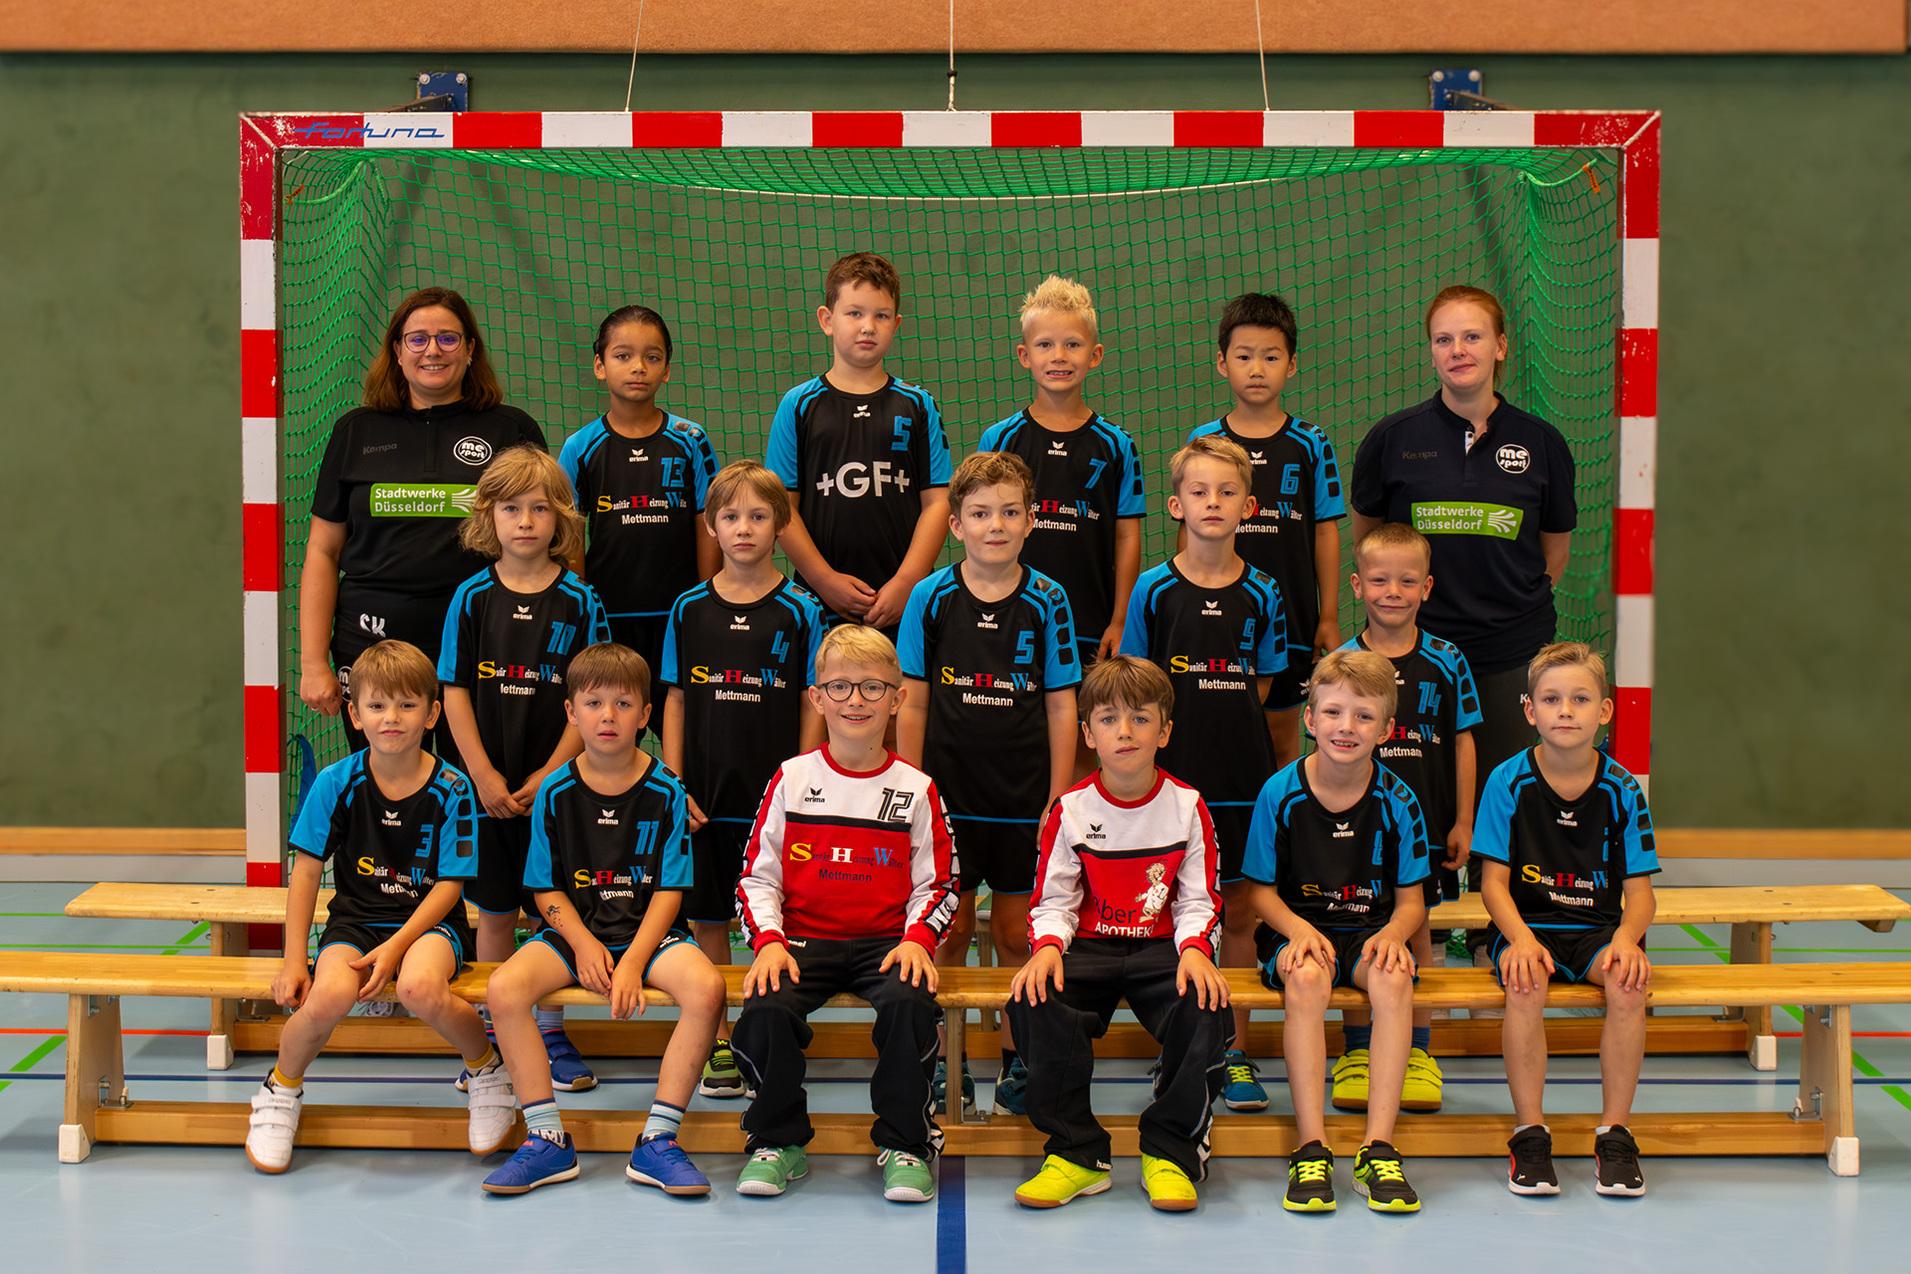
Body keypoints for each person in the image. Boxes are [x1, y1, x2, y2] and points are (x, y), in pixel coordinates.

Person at [478, 643, 727, 1196]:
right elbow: (544, 889)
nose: (608, 716)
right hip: (572, 933)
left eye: (622, 703)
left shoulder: (665, 790)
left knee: (708, 988)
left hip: (650, 934)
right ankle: (546, 1139)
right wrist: (585, 945)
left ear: (645, 715)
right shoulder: (555, 792)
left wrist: (634, 961)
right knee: (505, 988)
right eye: (593, 703)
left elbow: (669, 892)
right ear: (571, 713)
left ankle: (658, 1141)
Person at [245, 640, 504, 1173]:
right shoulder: (334, 783)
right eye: (378, 706)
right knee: (329, 995)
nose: (393, 718)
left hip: (429, 926)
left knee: (417, 987)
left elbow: (449, 888)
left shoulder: (453, 788)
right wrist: (295, 959)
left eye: (408, 705)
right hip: (356, 923)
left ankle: (487, 1070)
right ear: (355, 715)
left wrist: (396, 948)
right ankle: (280, 1090)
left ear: (432, 714)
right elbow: (308, 873)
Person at [731, 625, 959, 1203]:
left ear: (897, 698)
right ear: (816, 698)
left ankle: (905, 1142)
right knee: (765, 1005)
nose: (855, 700)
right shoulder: (792, 777)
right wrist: (770, 941)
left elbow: (939, 882)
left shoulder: (917, 789)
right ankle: (778, 1140)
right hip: (802, 940)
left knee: (910, 1003)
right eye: (838, 687)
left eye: (871, 687)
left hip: (888, 941)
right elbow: (758, 876)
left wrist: (916, 941)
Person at [1007, 655, 1230, 1213]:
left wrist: (1197, 951)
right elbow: (1054, 899)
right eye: (1108, 720)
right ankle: (1077, 1153)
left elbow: (1199, 899)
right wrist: (1048, 949)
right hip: (1090, 946)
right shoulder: (1071, 810)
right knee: (1035, 995)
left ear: (1166, 730)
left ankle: (1171, 1151)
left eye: (1140, 718)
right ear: (1087, 734)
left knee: (1205, 1004)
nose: (1124, 732)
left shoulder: (1187, 807)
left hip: (1162, 947)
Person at [896, 450, 1081, 1115]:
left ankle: (1016, 1060)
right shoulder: (931, 597)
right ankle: (949, 1066)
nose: (994, 525)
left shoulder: (1047, 600)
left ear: (1030, 521)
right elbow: (912, 700)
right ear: (955, 524)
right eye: (979, 513)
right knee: (944, 931)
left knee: (1013, 932)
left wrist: (1059, 794)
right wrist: (915, 788)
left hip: (1023, 795)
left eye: (1008, 512)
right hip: (949, 798)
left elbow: (1062, 703)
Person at [1349, 284, 1575, 795]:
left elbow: (1553, 552)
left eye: (1472, 336)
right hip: (1413, 652)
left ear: (1500, 346)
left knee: (1508, 802)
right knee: (1411, 802)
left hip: (1512, 653)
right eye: (1444, 339)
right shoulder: (1393, 439)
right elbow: (1369, 541)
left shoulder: (1541, 443)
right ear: (1431, 351)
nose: (1458, 350)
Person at [298, 287, 545, 749]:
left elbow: (549, 543)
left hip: (483, 639)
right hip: (372, 640)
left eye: (448, 339)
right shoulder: (356, 431)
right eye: (417, 339)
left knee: (473, 789)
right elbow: (323, 549)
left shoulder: (511, 430)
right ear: (397, 350)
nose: (433, 350)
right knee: (385, 788)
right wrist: (313, 663)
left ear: (471, 349)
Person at [1121, 434, 1288, 1109]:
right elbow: (1134, 690)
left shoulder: (1264, 592)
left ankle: (1234, 1049)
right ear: (1175, 504)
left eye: (1225, 492)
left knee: (1240, 914)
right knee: (1167, 912)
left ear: (1248, 506)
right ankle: (1182, 1042)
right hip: (1170, 784)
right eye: (1198, 492)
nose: (1212, 503)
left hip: (1242, 779)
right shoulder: (1153, 589)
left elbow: (1270, 692)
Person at [439, 446, 608, 1090]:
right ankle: (492, 1034)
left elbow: (590, 698)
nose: (526, 522)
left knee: (550, 911)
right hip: (485, 790)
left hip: (554, 789)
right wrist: (481, 775)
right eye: (512, 509)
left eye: (540, 509)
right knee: (496, 913)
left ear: (560, 518)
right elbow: (453, 688)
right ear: (489, 517)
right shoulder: (471, 597)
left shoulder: (580, 601)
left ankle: (551, 1031)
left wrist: (550, 774)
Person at [659, 461, 827, 1099]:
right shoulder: (688, 608)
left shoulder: (800, 611)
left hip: (773, 798)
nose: (744, 528)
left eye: (759, 516)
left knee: (776, 919)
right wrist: (673, 781)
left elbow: (813, 699)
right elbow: (675, 697)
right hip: (702, 798)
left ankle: (770, 1032)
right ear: (711, 525)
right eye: (730, 517)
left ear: (780, 526)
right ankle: (720, 1041)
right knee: (707, 923)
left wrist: (800, 779)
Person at [1243, 650, 1431, 1215]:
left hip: (1370, 930)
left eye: (1363, 716)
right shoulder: (1280, 794)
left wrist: (1396, 934)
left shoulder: (1400, 801)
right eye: (1333, 712)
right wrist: (1298, 929)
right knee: (1304, 981)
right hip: (1300, 928)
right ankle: (1311, 1146)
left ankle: (1378, 1147)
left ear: (1387, 729)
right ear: (1310, 719)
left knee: (1395, 980)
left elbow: (1412, 902)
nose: (1346, 727)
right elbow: (1259, 893)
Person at [1476, 642, 1658, 1198]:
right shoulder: (1507, 782)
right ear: (1529, 710)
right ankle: (1530, 1132)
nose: (1565, 711)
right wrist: (1522, 940)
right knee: (1525, 982)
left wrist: (1628, 939)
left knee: (1629, 985)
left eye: (1580, 699)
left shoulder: (1624, 790)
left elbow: (1643, 895)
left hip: (1599, 932)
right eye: (1552, 699)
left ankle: (1615, 1134)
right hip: (1526, 929)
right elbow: (1491, 885)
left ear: (1604, 711)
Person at [1331, 523, 1481, 1114]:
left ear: (1427, 587)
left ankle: (1417, 1047)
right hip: (1354, 835)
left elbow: (1464, 741)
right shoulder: (1342, 662)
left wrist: (1463, 819)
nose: (1392, 591)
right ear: (1357, 585)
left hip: (1426, 828)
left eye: (1407, 581)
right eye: (1379, 579)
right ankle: (1357, 1047)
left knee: (1416, 927)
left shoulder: (1448, 660)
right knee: (1352, 926)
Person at [1188, 292, 1345, 771]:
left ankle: (1274, 841)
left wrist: (1329, 615)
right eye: (1244, 356)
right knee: (1214, 740)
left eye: (1271, 357)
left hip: (1293, 621)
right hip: (1219, 625)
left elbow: (1324, 532)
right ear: (1222, 363)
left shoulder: (1311, 443)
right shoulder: (1206, 443)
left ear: (1291, 365)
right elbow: (1188, 536)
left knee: (1281, 747)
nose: (1257, 368)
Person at [767, 252, 951, 637]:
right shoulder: (798, 405)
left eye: (881, 316)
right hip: (820, 603)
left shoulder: (918, 405)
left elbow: (938, 503)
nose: (868, 326)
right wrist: (824, 580)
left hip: (903, 604)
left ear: (896, 324)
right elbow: (782, 508)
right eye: (854, 313)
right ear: (826, 320)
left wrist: (908, 583)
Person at [977, 275, 1145, 672]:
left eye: (1073, 344)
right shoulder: (1000, 438)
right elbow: (980, 527)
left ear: (1095, 354)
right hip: (1010, 617)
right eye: (1045, 345)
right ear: (1024, 355)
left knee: (1087, 731)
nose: (1059, 356)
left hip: (1092, 623)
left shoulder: (1117, 444)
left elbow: (1127, 537)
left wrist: (1120, 620)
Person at [559, 305, 721, 695]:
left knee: (680, 730)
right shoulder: (580, 448)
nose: (638, 367)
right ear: (600, 365)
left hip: (677, 619)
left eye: (652, 357)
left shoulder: (691, 439)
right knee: (610, 732)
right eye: (623, 356)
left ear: (666, 369)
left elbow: (708, 525)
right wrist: (585, 609)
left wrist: (706, 604)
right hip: (609, 622)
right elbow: (570, 535)